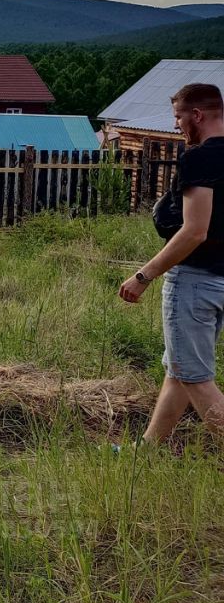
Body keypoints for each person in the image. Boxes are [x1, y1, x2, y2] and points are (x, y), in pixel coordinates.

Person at [119, 82, 224, 444]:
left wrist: (143, 275)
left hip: (194, 282)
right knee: (178, 370)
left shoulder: (200, 158)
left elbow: (195, 231)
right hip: (221, 280)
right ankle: (146, 450)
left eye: (179, 116)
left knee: (195, 377)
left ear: (197, 115)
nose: (177, 124)